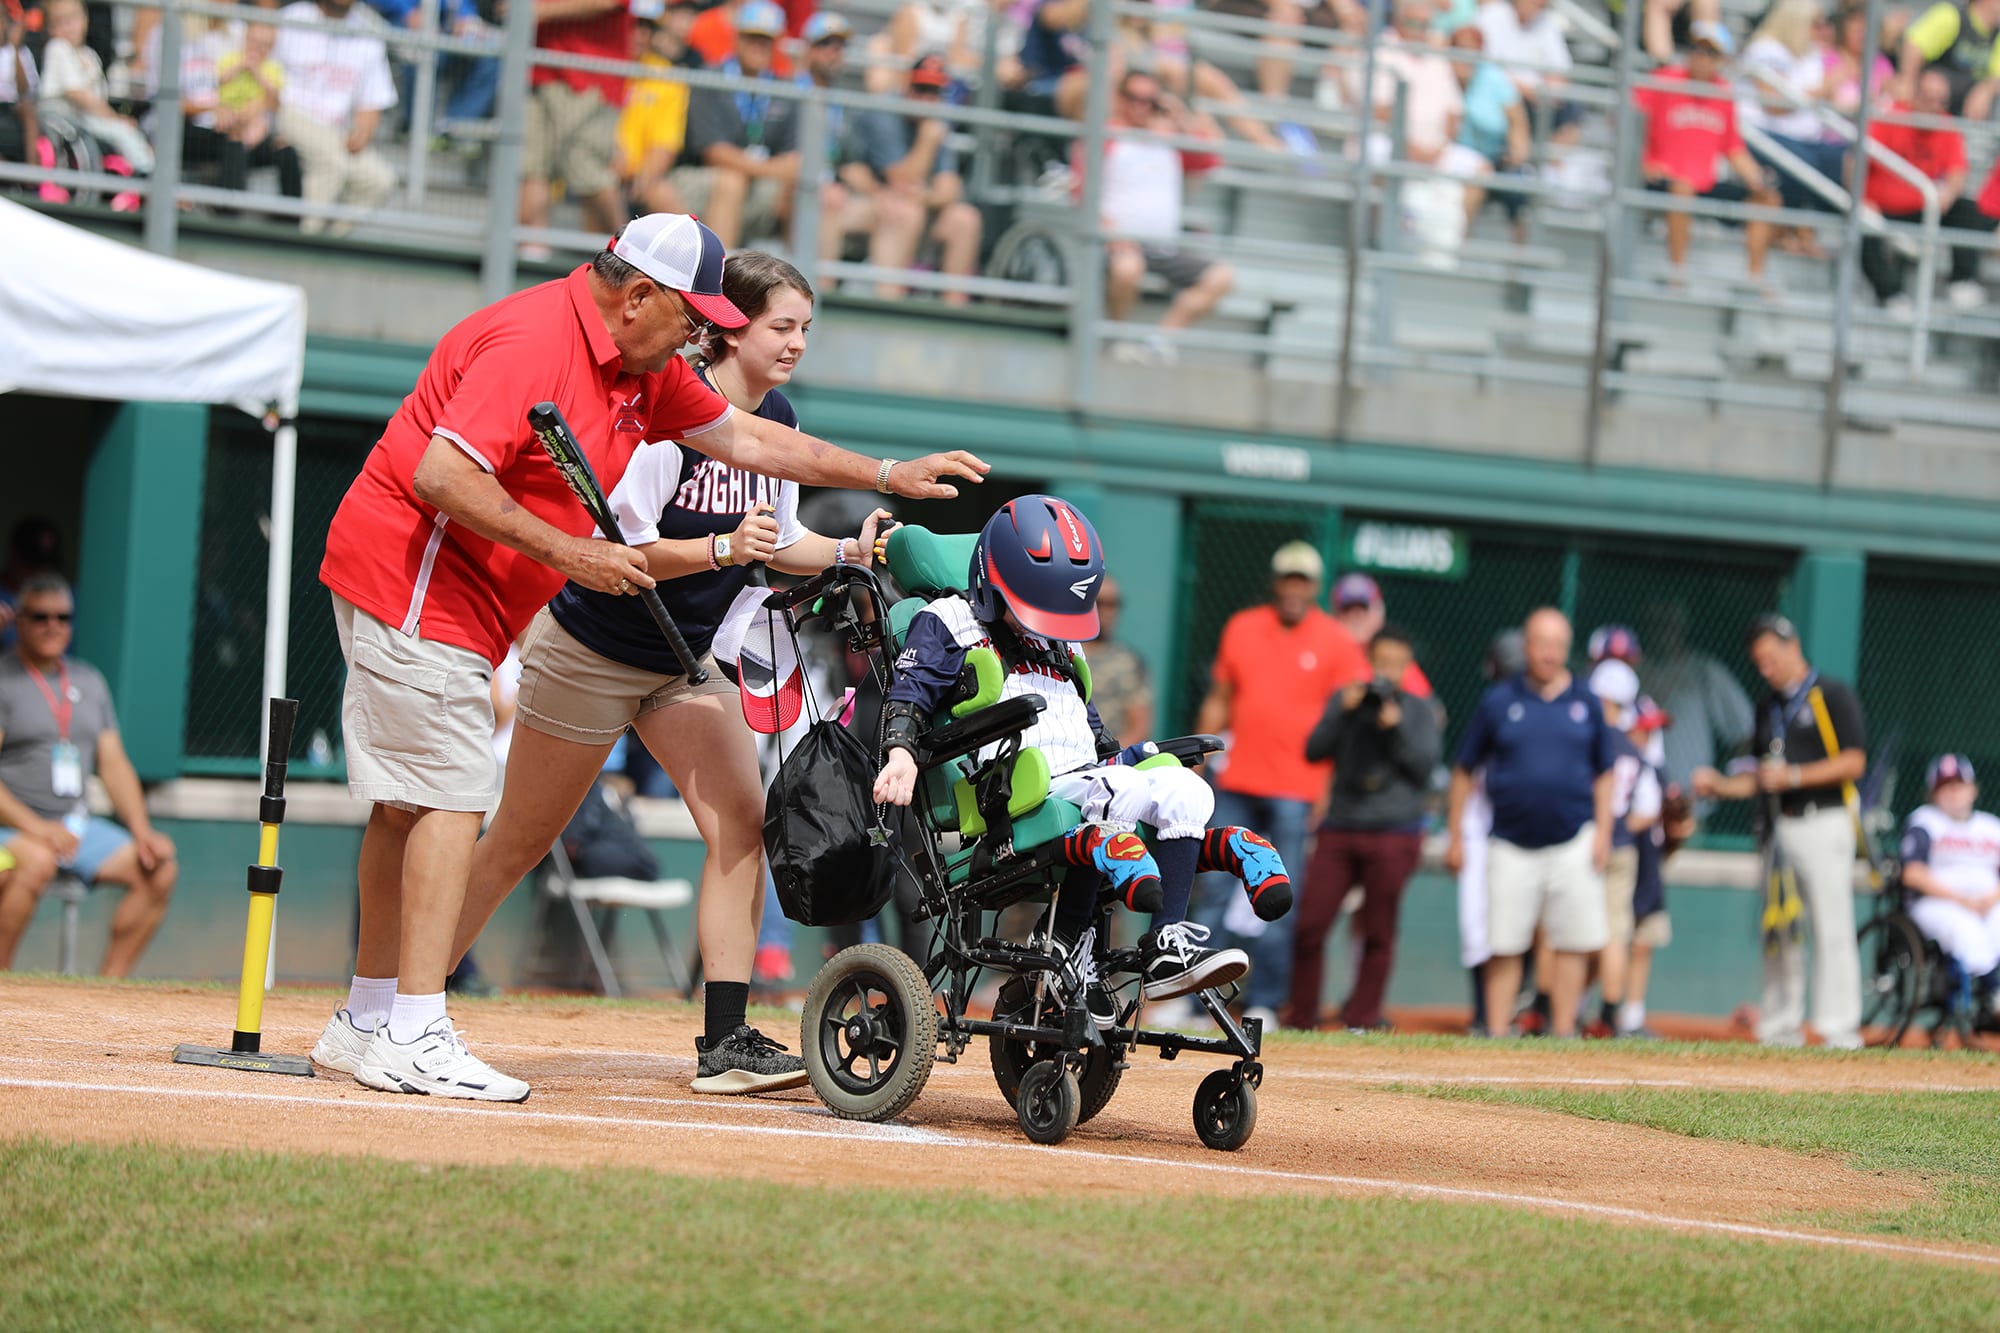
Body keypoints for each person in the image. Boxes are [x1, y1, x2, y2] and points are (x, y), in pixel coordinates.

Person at [304, 212, 986, 1102]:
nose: (705, 335)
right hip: (442, 590)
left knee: (418, 808)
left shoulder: (642, 369)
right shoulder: (531, 343)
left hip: (608, 637)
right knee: (455, 806)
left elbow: (753, 441)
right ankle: (414, 1025)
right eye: (695, 317)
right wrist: (574, 550)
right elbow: (442, 474)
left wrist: (886, 474)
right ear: (637, 298)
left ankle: (373, 1018)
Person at [442, 253, 905, 1093]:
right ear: (731, 326)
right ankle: (409, 1003)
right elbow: (620, 550)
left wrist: (844, 551)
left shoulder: (783, 418)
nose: (797, 342)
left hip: (686, 662)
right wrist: (724, 549)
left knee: (740, 820)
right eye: (782, 326)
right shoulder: (666, 408)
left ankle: (724, 1042)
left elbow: (781, 538)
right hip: (594, 648)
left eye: (806, 328)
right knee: (519, 839)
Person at [872, 496, 1292, 1018]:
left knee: (1187, 788)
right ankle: (1070, 943)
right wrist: (901, 754)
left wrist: (1135, 756)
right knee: (1125, 789)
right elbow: (909, 693)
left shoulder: (1061, 641)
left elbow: (1093, 735)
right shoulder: (948, 620)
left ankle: (1165, 947)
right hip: (1012, 783)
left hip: (1084, 776)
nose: (1048, 624)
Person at [1193, 540, 1366, 1029]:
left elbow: (1347, 723)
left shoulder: (1336, 640)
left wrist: (1327, 792)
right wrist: (1198, 762)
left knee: (1279, 892)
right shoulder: (1243, 627)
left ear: (1315, 587)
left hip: (1298, 789)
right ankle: (1200, 997)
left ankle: (1265, 999)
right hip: (1239, 779)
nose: (1294, 588)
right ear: (1276, 582)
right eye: (1287, 578)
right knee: (1216, 887)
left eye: (1303, 580)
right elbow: (1220, 698)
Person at [1692, 613, 1867, 1049]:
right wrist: (1722, 785)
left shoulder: (1831, 693)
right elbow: (1760, 774)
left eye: (1771, 658)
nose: (1765, 669)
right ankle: (1779, 1023)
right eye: (1759, 662)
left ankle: (1836, 1026)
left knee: (1832, 924)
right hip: (1778, 828)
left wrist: (1793, 777)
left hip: (1822, 821)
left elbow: (1853, 762)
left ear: (1792, 647)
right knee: (1781, 929)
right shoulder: (1766, 705)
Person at [1447, 607, 1615, 1039]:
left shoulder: (1586, 702)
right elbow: (1464, 769)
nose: (1550, 653)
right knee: (1503, 944)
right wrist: (1454, 836)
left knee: (1573, 943)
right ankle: (1498, 1035)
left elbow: (1605, 773)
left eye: (1558, 645)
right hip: (1509, 842)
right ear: (1527, 646)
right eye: (1542, 644)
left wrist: (1604, 835)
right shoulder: (1499, 701)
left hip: (1574, 840)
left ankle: (1562, 1036)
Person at [0, 575, 179, 976]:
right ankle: (4, 984)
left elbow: (113, 764)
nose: (53, 625)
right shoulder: (4, 678)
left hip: (75, 827)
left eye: (63, 617)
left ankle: (107, 988)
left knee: (159, 868)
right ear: (20, 622)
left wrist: (142, 831)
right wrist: (37, 829)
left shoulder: (88, 680)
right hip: (13, 827)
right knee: (36, 860)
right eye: (40, 616)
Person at [1291, 625, 1440, 1031]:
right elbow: (1313, 750)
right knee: (1310, 924)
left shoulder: (1420, 709)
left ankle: (1361, 1016)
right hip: (1342, 825)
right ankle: (1302, 1018)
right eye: (1381, 662)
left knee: (1378, 929)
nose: (1387, 672)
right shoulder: (1347, 700)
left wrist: (1395, 729)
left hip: (1394, 830)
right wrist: (1345, 711)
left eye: (1396, 664)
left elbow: (1424, 769)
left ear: (1407, 666)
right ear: (1370, 661)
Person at [1096, 68, 1232, 367]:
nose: (1141, 106)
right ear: (1120, 98)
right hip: (1114, 243)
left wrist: (1181, 118)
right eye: (1133, 98)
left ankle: (1160, 342)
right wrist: (1112, 233)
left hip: (1162, 247)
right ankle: (1116, 339)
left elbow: (1209, 160)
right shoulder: (1105, 135)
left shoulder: (1169, 140)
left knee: (1220, 277)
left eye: (1150, 101)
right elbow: (1084, 194)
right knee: (1129, 267)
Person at [1635, 22, 1780, 292]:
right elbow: (1626, 120)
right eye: (1696, 49)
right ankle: (1677, 271)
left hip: (1704, 182)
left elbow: (1733, 148)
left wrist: (1757, 179)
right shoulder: (1664, 79)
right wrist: (1643, 161)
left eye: (1709, 52)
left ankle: (1754, 279)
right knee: (1682, 188)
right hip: (1664, 177)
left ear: (1721, 60)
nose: (1701, 57)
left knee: (1767, 198)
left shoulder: (1723, 92)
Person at [842, 53, 983, 304]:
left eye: (933, 92)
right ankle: (890, 306)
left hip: (914, 205)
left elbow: (949, 189)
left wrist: (926, 196)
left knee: (965, 219)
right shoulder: (885, 110)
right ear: (907, 85)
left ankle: (954, 312)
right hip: (868, 202)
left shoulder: (935, 121)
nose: (926, 99)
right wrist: (928, 141)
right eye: (920, 89)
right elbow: (901, 179)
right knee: (904, 212)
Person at [1862, 69, 1996, 315]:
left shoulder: (1947, 125)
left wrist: (1949, 191)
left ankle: (1962, 280)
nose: (1931, 104)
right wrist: (1861, 198)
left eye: (1938, 99)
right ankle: (1889, 293)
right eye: (1926, 96)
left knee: (1967, 210)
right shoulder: (1891, 117)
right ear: (1915, 93)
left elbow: (1957, 172)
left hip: (1924, 207)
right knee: (1863, 222)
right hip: (1883, 207)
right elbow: (1857, 161)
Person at [670, 0, 802, 250]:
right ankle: (718, 279)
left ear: (776, 44)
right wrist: (770, 168)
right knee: (731, 181)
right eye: (752, 37)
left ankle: (798, 280)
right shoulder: (710, 78)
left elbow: (795, 160)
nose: (758, 46)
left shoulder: (785, 89)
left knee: (804, 190)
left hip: (758, 181)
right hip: (697, 178)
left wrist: (765, 170)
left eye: (766, 40)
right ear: (737, 38)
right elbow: (714, 153)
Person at [274, 0, 398, 236]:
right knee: (332, 164)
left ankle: (333, 240)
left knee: (381, 180)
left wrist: (363, 132)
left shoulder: (368, 31)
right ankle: (305, 240)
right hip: (289, 114)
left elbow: (373, 99)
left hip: (335, 129)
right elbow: (264, 72)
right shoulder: (291, 18)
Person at [1584, 657, 1660, 1038]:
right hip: (1622, 848)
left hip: (1583, 843)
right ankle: (1609, 1016)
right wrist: (1619, 829)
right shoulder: (1634, 749)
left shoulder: (1585, 737)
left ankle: (1548, 1011)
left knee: (1566, 931)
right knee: (1616, 932)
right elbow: (1648, 808)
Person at [520, 0, 633, 253]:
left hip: (588, 76)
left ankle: (631, 257)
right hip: (537, 68)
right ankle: (532, 255)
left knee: (588, 169)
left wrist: (536, 11)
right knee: (530, 167)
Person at [1899, 754, 2000, 1021]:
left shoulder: (1991, 826)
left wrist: (1990, 898)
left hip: (1988, 902)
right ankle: (1993, 993)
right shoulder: (1924, 821)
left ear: (1973, 789)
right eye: (1945, 786)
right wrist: (1962, 900)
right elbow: (1912, 874)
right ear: (1933, 793)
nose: (1954, 791)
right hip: (1937, 903)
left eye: (1959, 784)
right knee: (1962, 927)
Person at [1739, 0, 1844, 254]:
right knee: (1805, 164)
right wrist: (1825, 88)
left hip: (1804, 137)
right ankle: (1785, 232)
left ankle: (1803, 232)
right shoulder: (1766, 48)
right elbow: (1774, 104)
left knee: (1842, 159)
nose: (1821, 29)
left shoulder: (1809, 53)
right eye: (1815, 23)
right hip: (1761, 133)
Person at [36, 0, 153, 173]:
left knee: (128, 130)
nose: (69, 26)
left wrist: (113, 118)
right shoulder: (58, 48)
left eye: (73, 18)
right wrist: (114, 118)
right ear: (50, 28)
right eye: (60, 21)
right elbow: (77, 94)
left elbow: (96, 98)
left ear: (85, 19)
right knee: (123, 132)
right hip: (63, 118)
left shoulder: (89, 55)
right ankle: (147, 173)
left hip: (84, 118)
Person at [200, 22, 306, 208]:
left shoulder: (271, 69)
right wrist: (241, 67)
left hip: (255, 127)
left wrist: (257, 74)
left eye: (265, 45)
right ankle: (227, 209)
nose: (258, 49)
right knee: (236, 136)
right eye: (254, 42)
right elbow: (216, 84)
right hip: (226, 122)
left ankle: (289, 219)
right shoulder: (231, 59)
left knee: (283, 147)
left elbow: (274, 101)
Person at [617, 0, 701, 218]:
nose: (639, 33)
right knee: (599, 184)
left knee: (661, 193)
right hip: (598, 170)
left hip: (638, 178)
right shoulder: (595, 61)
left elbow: (665, 144)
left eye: (648, 27)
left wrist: (642, 178)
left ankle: (698, 251)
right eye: (633, 23)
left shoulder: (666, 75)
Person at [1080, 574, 1152, 749]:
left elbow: (1139, 727)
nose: (1107, 612)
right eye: (1100, 603)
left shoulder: (1129, 662)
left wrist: (1106, 756)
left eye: (1114, 604)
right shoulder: (1059, 652)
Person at [1332, 573, 1433, 698]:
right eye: (1347, 608)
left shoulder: (1394, 656)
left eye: (1363, 607)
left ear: (1378, 611)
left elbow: (1426, 707)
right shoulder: (1324, 653)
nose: (1355, 616)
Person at [1898, 0, 2000, 117]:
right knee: (1934, 85)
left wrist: (1985, 90)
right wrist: (1908, 82)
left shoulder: (1996, 33)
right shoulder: (1951, 15)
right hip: (1929, 111)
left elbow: (1996, 76)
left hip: (1965, 115)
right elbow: (1914, 46)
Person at [0, 518, 61, 652]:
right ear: (14, 556)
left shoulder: (66, 599)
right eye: (33, 564)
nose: (39, 572)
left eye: (45, 565)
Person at [0, 5, 36, 171]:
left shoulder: (20, 52)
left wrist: (14, 49)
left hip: (13, 105)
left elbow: (24, 89)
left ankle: (32, 169)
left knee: (28, 110)